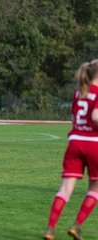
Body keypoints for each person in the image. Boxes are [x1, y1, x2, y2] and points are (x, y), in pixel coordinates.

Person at [43, 59, 98, 240]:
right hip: (93, 143)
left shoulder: (79, 92)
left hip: (75, 142)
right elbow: (96, 117)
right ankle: (76, 226)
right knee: (95, 189)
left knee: (65, 190)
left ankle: (50, 229)